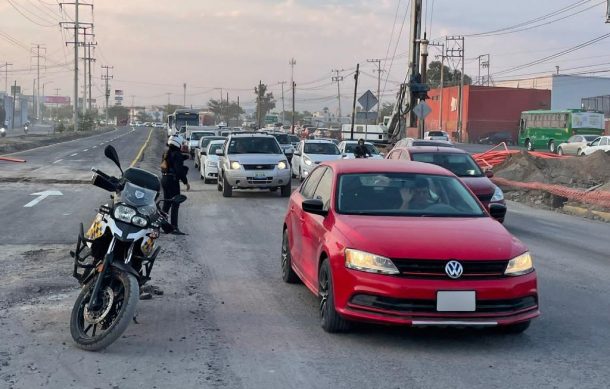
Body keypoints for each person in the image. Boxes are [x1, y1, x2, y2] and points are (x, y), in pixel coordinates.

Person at [161, 135, 190, 235]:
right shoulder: (177, 154)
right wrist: (186, 182)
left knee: (167, 203)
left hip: (164, 179)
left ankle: (163, 225)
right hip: (172, 181)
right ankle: (174, 227)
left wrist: (184, 158)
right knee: (175, 203)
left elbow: (171, 161)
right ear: (178, 143)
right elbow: (179, 171)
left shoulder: (166, 152)